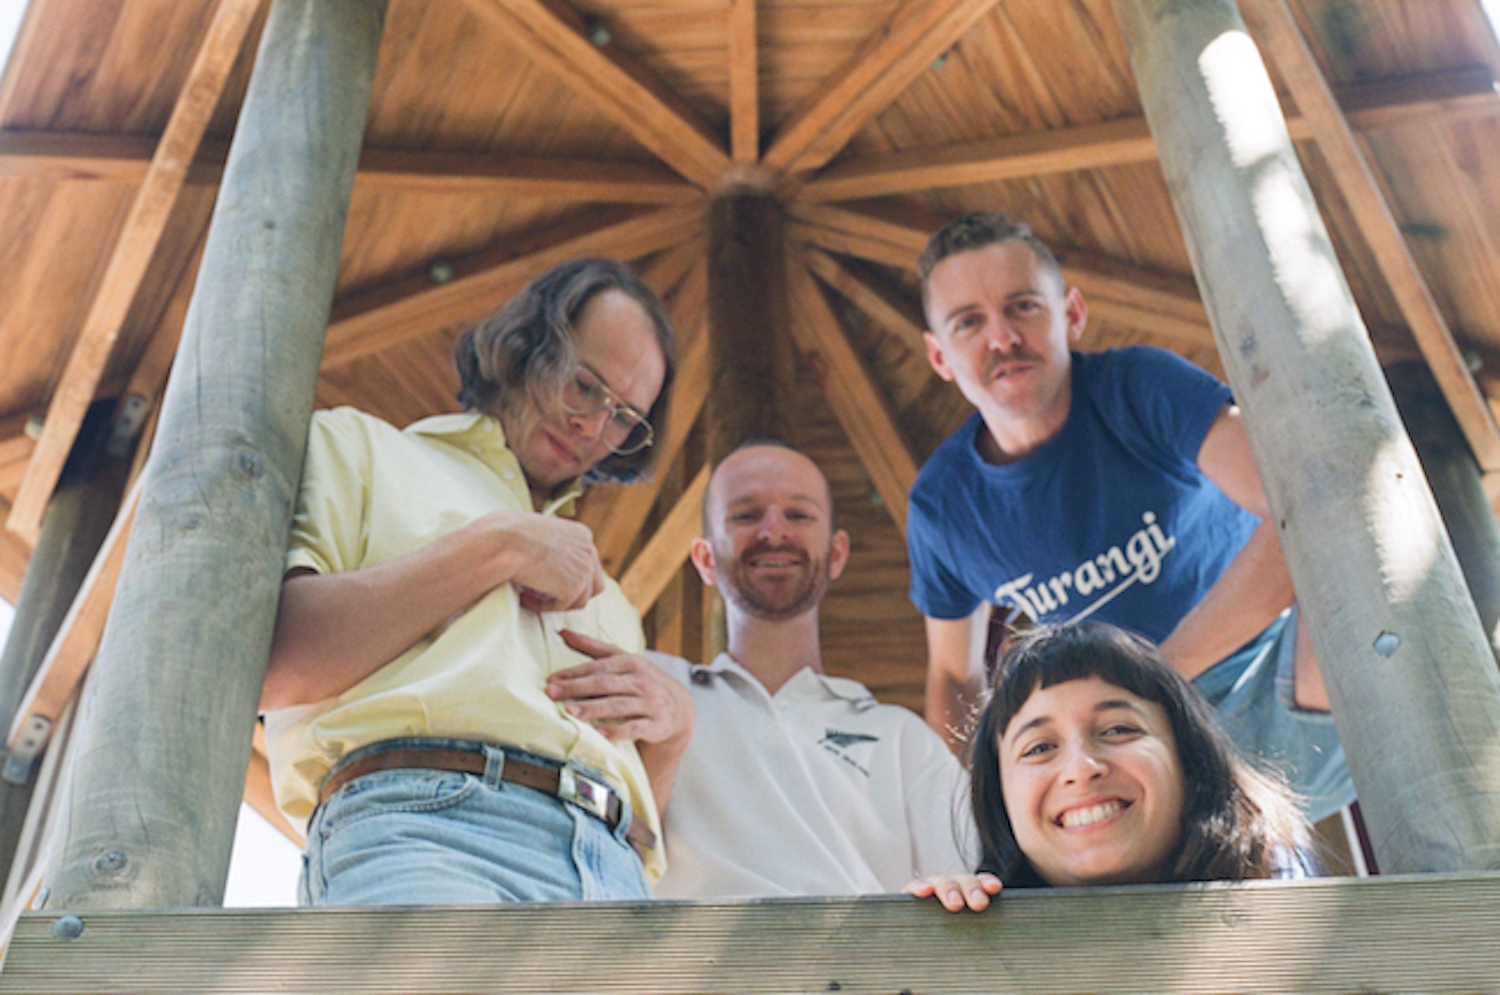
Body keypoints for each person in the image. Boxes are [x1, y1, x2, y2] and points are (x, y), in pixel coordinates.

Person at [259, 256, 692, 906]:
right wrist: (500, 546)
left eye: (625, 417)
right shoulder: (360, 449)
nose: (594, 427)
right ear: (527, 346)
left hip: (611, 878)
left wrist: (673, 735)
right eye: (584, 385)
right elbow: (279, 666)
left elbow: (639, 826)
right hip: (421, 832)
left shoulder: (617, 602)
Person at [906, 211, 1353, 821]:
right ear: (939, 355)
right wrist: (979, 815)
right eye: (968, 323)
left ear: (1072, 313)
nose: (1002, 338)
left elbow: (1303, 508)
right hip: (1137, 757)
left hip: (1282, 683)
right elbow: (953, 678)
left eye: (1023, 308)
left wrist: (1153, 677)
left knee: (1354, 515)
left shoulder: (1141, 386)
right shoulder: (942, 506)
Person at [547, 440, 971, 896]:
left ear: (838, 553)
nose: (774, 531)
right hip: (691, 964)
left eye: (799, 515)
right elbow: (589, 851)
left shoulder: (903, 740)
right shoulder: (650, 685)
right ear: (705, 559)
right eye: (746, 515)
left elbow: (969, 886)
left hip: (856, 964)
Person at [907, 622, 1313, 911]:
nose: (1081, 768)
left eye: (1119, 729)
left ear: (1189, 763)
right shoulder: (973, 941)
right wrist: (949, 936)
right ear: (1000, 803)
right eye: (1039, 747)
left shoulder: (1295, 909)